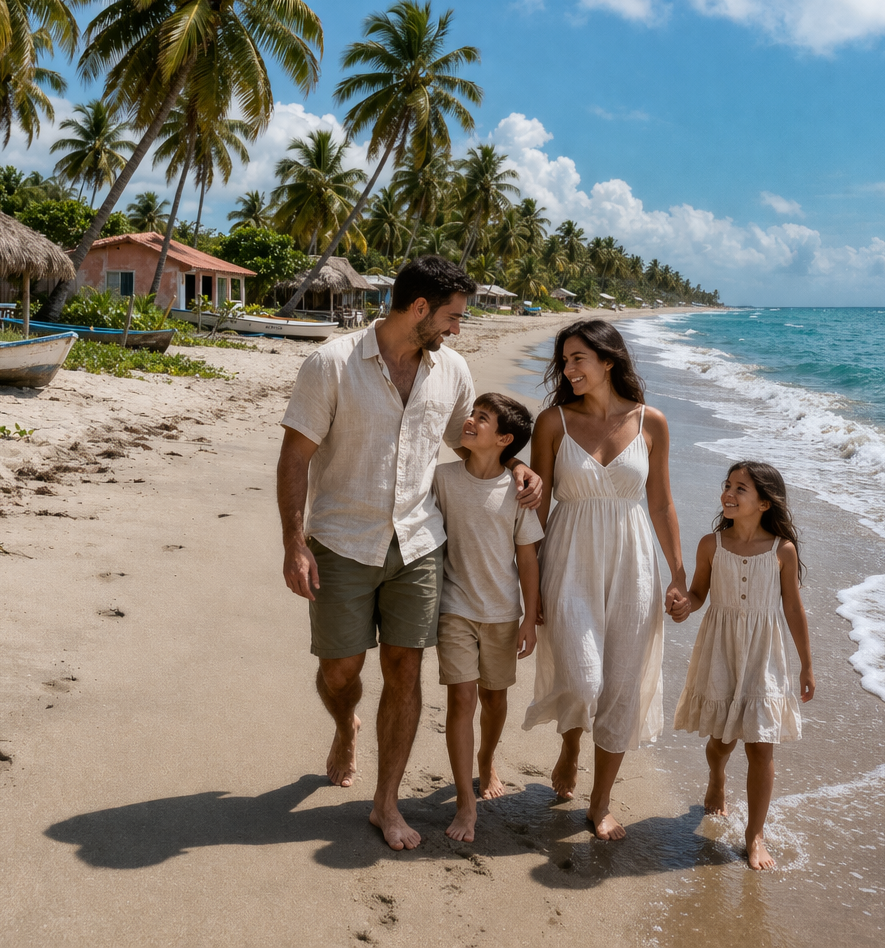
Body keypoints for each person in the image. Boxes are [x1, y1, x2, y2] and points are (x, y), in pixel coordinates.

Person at [276, 255, 542, 851]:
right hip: (342, 541)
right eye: (451, 317)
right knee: (340, 670)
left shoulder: (453, 372)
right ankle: (346, 723)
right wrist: (295, 543)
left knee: (404, 669)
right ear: (419, 308)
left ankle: (385, 801)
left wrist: (519, 464)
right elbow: (294, 457)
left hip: (420, 543)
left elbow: (468, 444)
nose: (456, 329)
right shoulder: (332, 364)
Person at [522, 319, 689, 840]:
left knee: (619, 684)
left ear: (608, 360)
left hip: (634, 561)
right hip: (569, 557)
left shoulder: (651, 423)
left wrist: (680, 575)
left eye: (578, 359)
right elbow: (538, 507)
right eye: (565, 360)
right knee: (584, 677)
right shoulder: (553, 423)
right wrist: (527, 583)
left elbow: (661, 503)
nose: (568, 370)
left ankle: (600, 803)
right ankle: (571, 740)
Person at [668, 461, 814, 871]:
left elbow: (792, 608)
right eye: (727, 486)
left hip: (764, 654)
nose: (728, 494)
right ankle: (717, 777)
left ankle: (755, 834)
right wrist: (685, 606)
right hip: (721, 650)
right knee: (722, 740)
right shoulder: (711, 545)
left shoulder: (781, 550)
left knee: (760, 743)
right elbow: (698, 593)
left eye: (740, 489)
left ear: (765, 503)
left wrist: (806, 664)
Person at [432, 393, 543, 843]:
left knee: (494, 699)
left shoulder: (518, 492)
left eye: (483, 419)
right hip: (454, 608)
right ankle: (465, 801)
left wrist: (529, 619)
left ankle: (486, 760)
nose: (471, 422)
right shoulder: (441, 478)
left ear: (504, 439)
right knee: (462, 699)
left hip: (501, 613)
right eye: (472, 415)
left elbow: (528, 561)